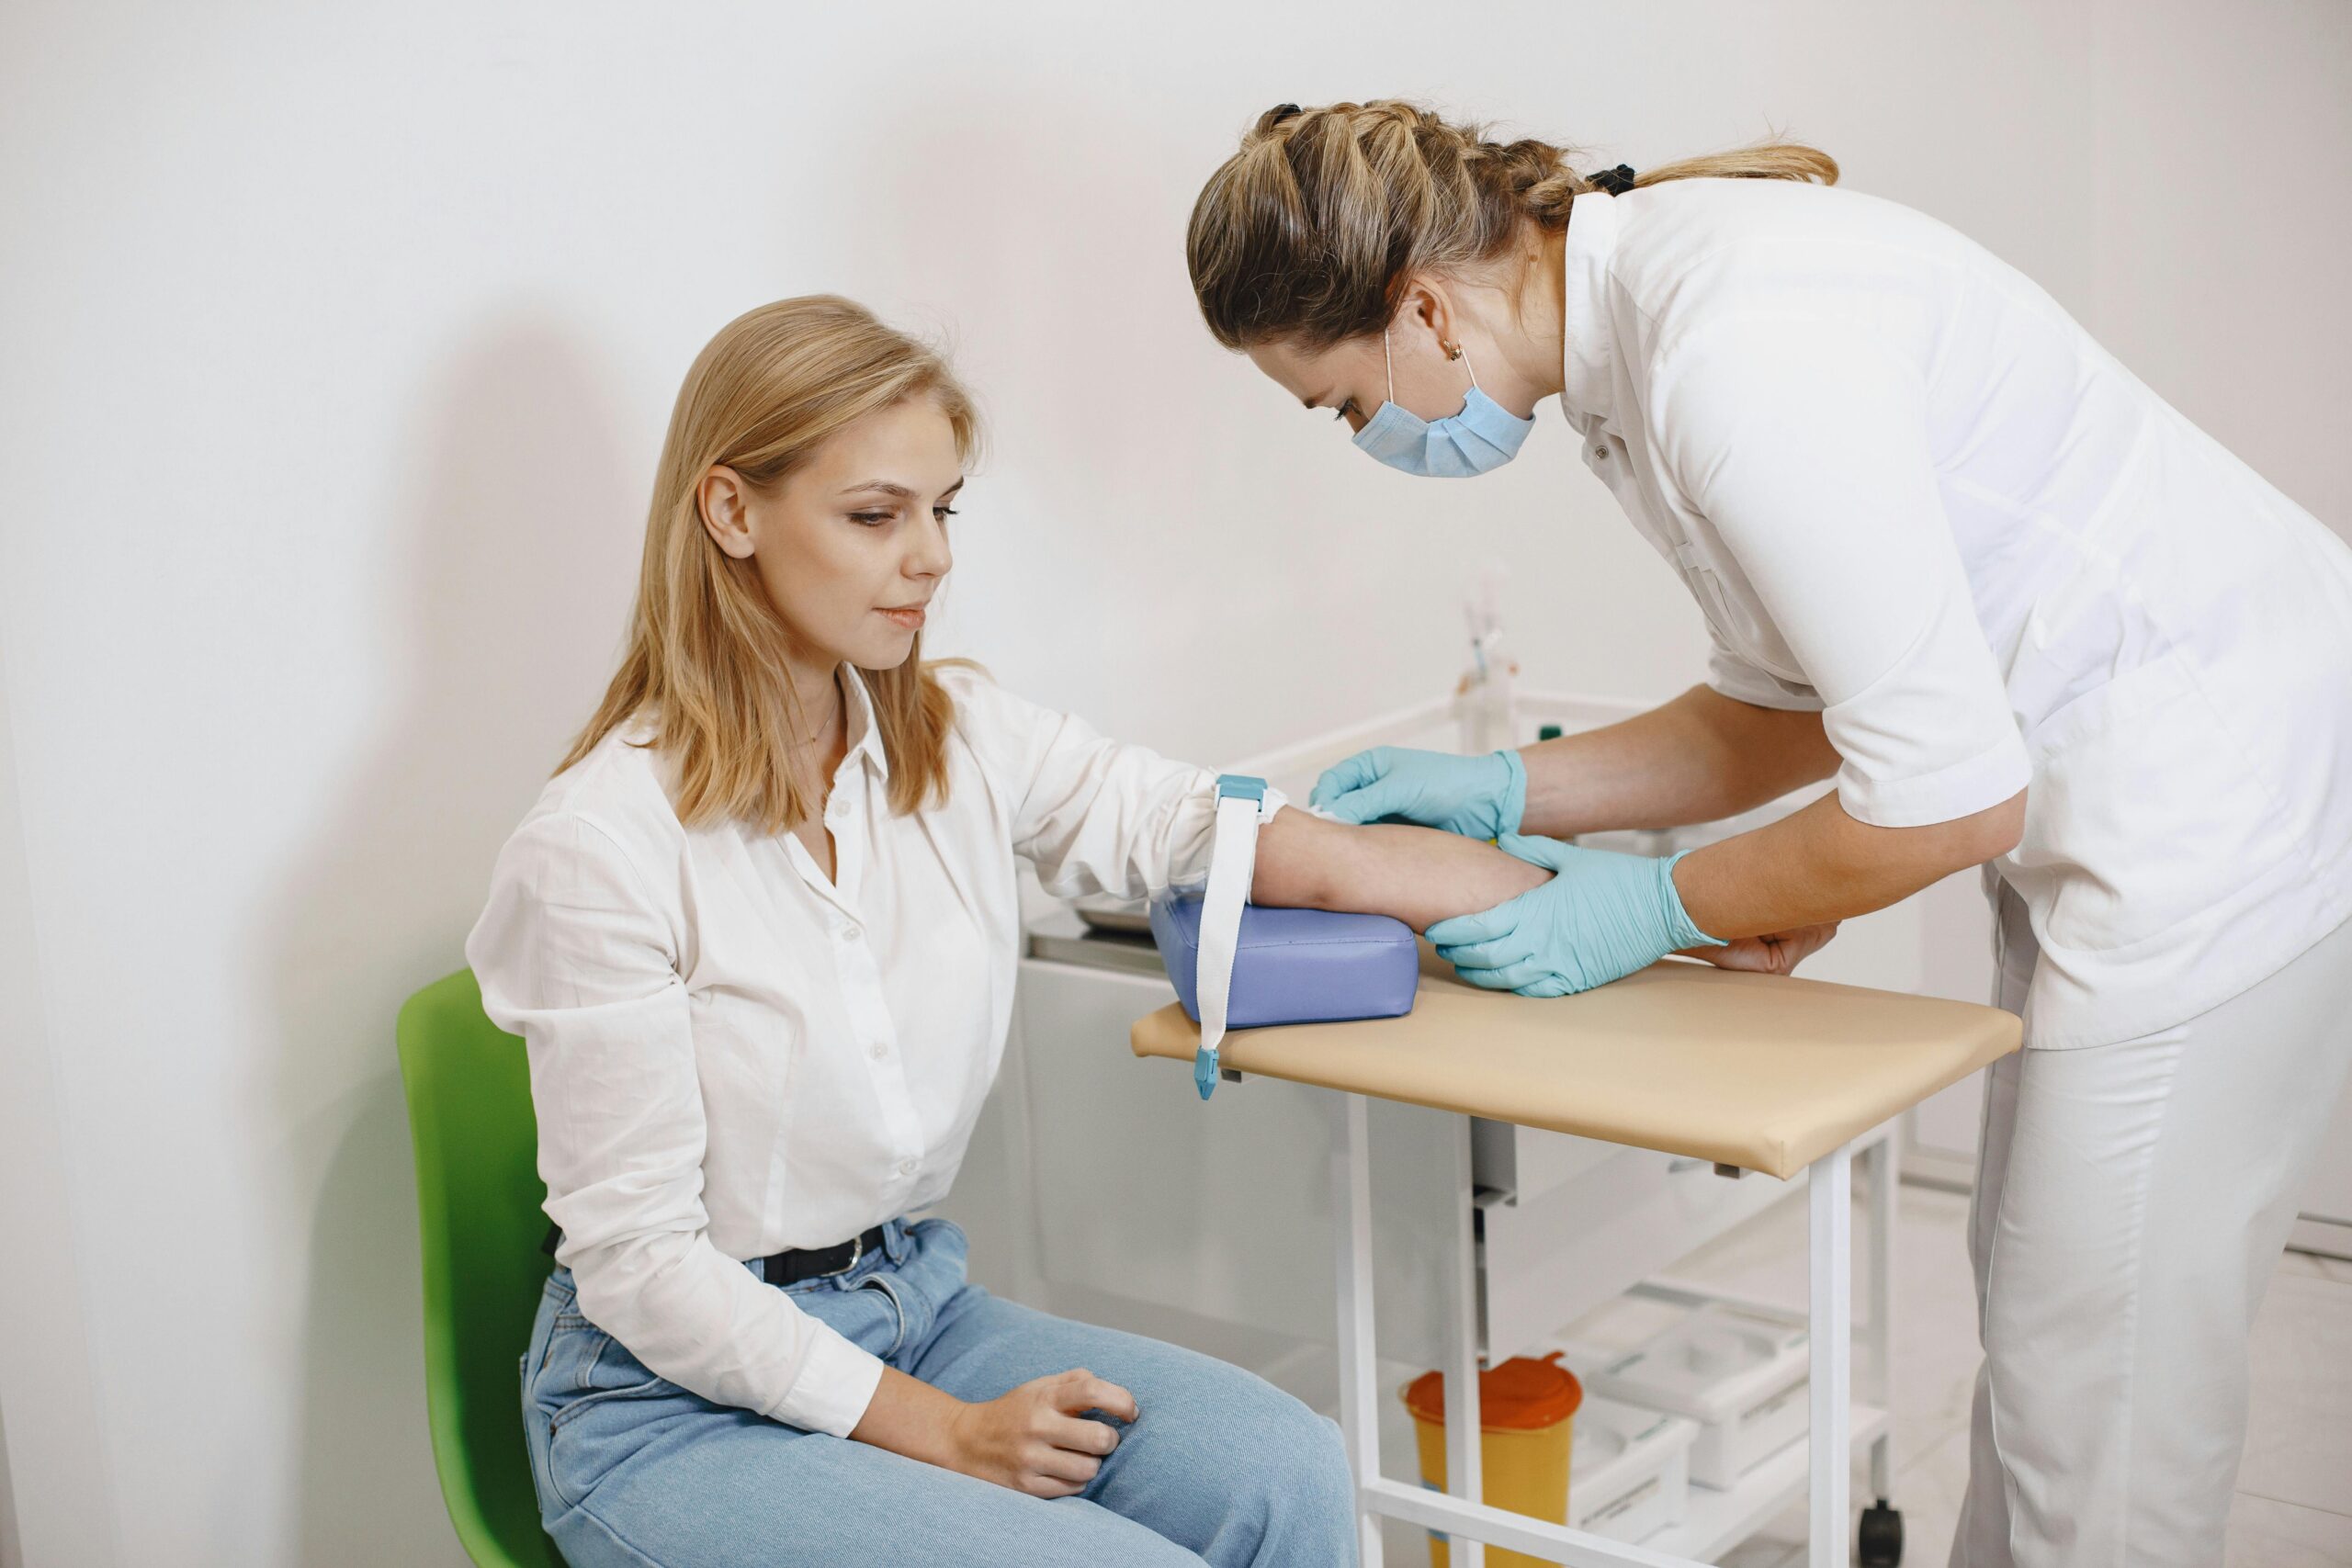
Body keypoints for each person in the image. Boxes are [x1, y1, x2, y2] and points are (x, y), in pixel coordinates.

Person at [1185, 99, 2352, 1567]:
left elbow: (1942, 796)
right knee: (2043, 1322)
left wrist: (1652, 906)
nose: (1367, 436)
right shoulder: (1641, 329)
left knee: (2101, 1392)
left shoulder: (1733, 353)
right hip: (2125, 788)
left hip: (2219, 808)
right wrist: (1502, 794)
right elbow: (1788, 705)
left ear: (1422, 307)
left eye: (1345, 402)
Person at [466, 294, 1553, 1568]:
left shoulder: (955, 738)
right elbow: (645, 1270)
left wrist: (1565, 902)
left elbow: (1179, 819)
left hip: (911, 1307)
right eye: (877, 515)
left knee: (1286, 1469)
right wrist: (946, 1433)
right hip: (666, 1406)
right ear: (731, 512)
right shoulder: (601, 845)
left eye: (942, 510)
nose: (929, 557)